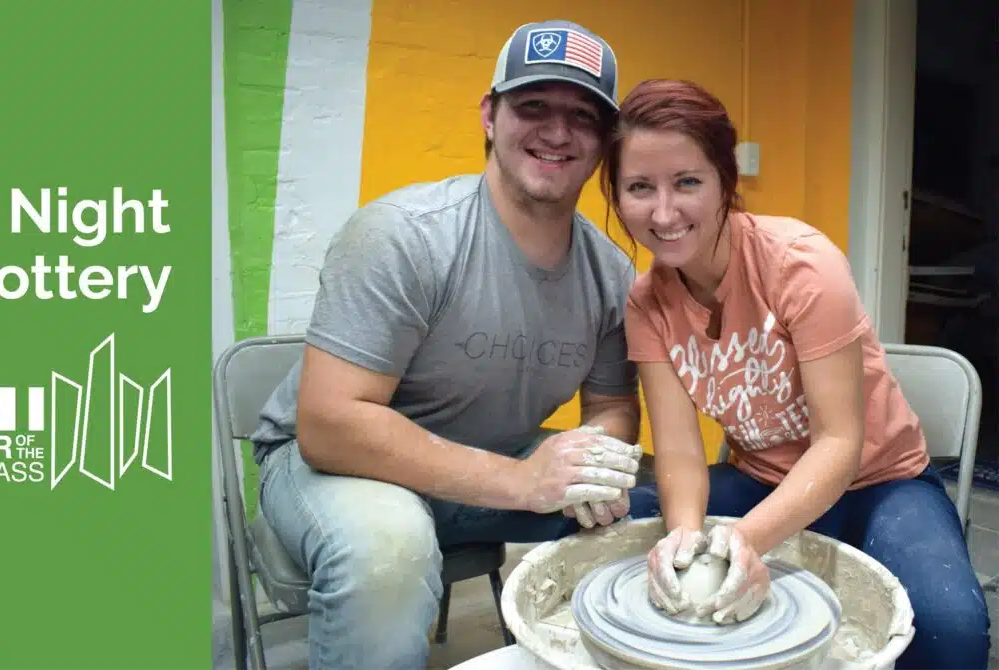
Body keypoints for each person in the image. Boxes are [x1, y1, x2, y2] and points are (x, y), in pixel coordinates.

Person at [248, 19, 650, 670]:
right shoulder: (405, 236)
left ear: (606, 140)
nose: (557, 132)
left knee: (647, 513)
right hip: (334, 465)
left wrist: (593, 458)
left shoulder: (610, 274)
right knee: (389, 552)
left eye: (583, 116)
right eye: (533, 106)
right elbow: (329, 426)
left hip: (489, 453)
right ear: (490, 115)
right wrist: (523, 480)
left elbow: (611, 406)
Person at [604, 78, 991, 668]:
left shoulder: (800, 265)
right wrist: (683, 541)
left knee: (950, 630)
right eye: (639, 187)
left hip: (880, 483)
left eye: (687, 182)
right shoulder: (646, 304)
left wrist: (747, 540)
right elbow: (679, 451)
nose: (663, 212)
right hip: (761, 478)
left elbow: (839, 442)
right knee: (614, 528)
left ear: (725, 179)